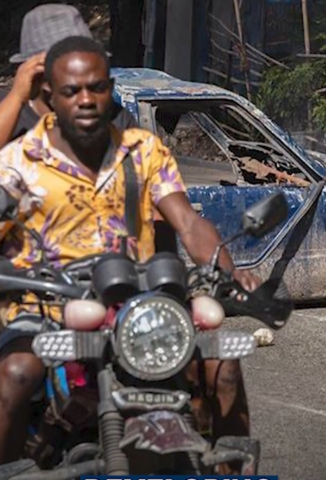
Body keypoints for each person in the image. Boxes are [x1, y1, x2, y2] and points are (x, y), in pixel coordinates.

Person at [0, 36, 261, 475]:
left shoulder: (143, 151)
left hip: (138, 306)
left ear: (110, 88)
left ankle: (231, 469)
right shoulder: (19, 162)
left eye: (97, 87)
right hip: (43, 305)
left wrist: (225, 267)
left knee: (222, 365)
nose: (86, 100)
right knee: (15, 376)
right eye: (72, 91)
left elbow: (188, 222)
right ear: (50, 96)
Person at [0, 4, 137, 148]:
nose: (85, 99)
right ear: (35, 72)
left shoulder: (115, 118)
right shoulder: (10, 109)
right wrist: (17, 97)